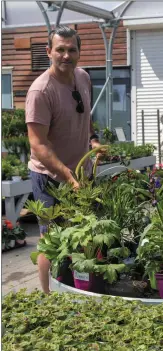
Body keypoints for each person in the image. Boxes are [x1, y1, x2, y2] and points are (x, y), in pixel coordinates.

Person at [26, 25, 103, 294]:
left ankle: (76, 287)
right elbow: (38, 146)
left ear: (79, 53)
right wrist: (68, 176)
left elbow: (85, 118)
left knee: (82, 232)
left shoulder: (82, 77)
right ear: (49, 52)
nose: (66, 55)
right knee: (51, 238)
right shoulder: (40, 91)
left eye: (72, 50)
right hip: (50, 177)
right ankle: (48, 297)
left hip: (80, 175)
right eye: (60, 49)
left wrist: (93, 142)